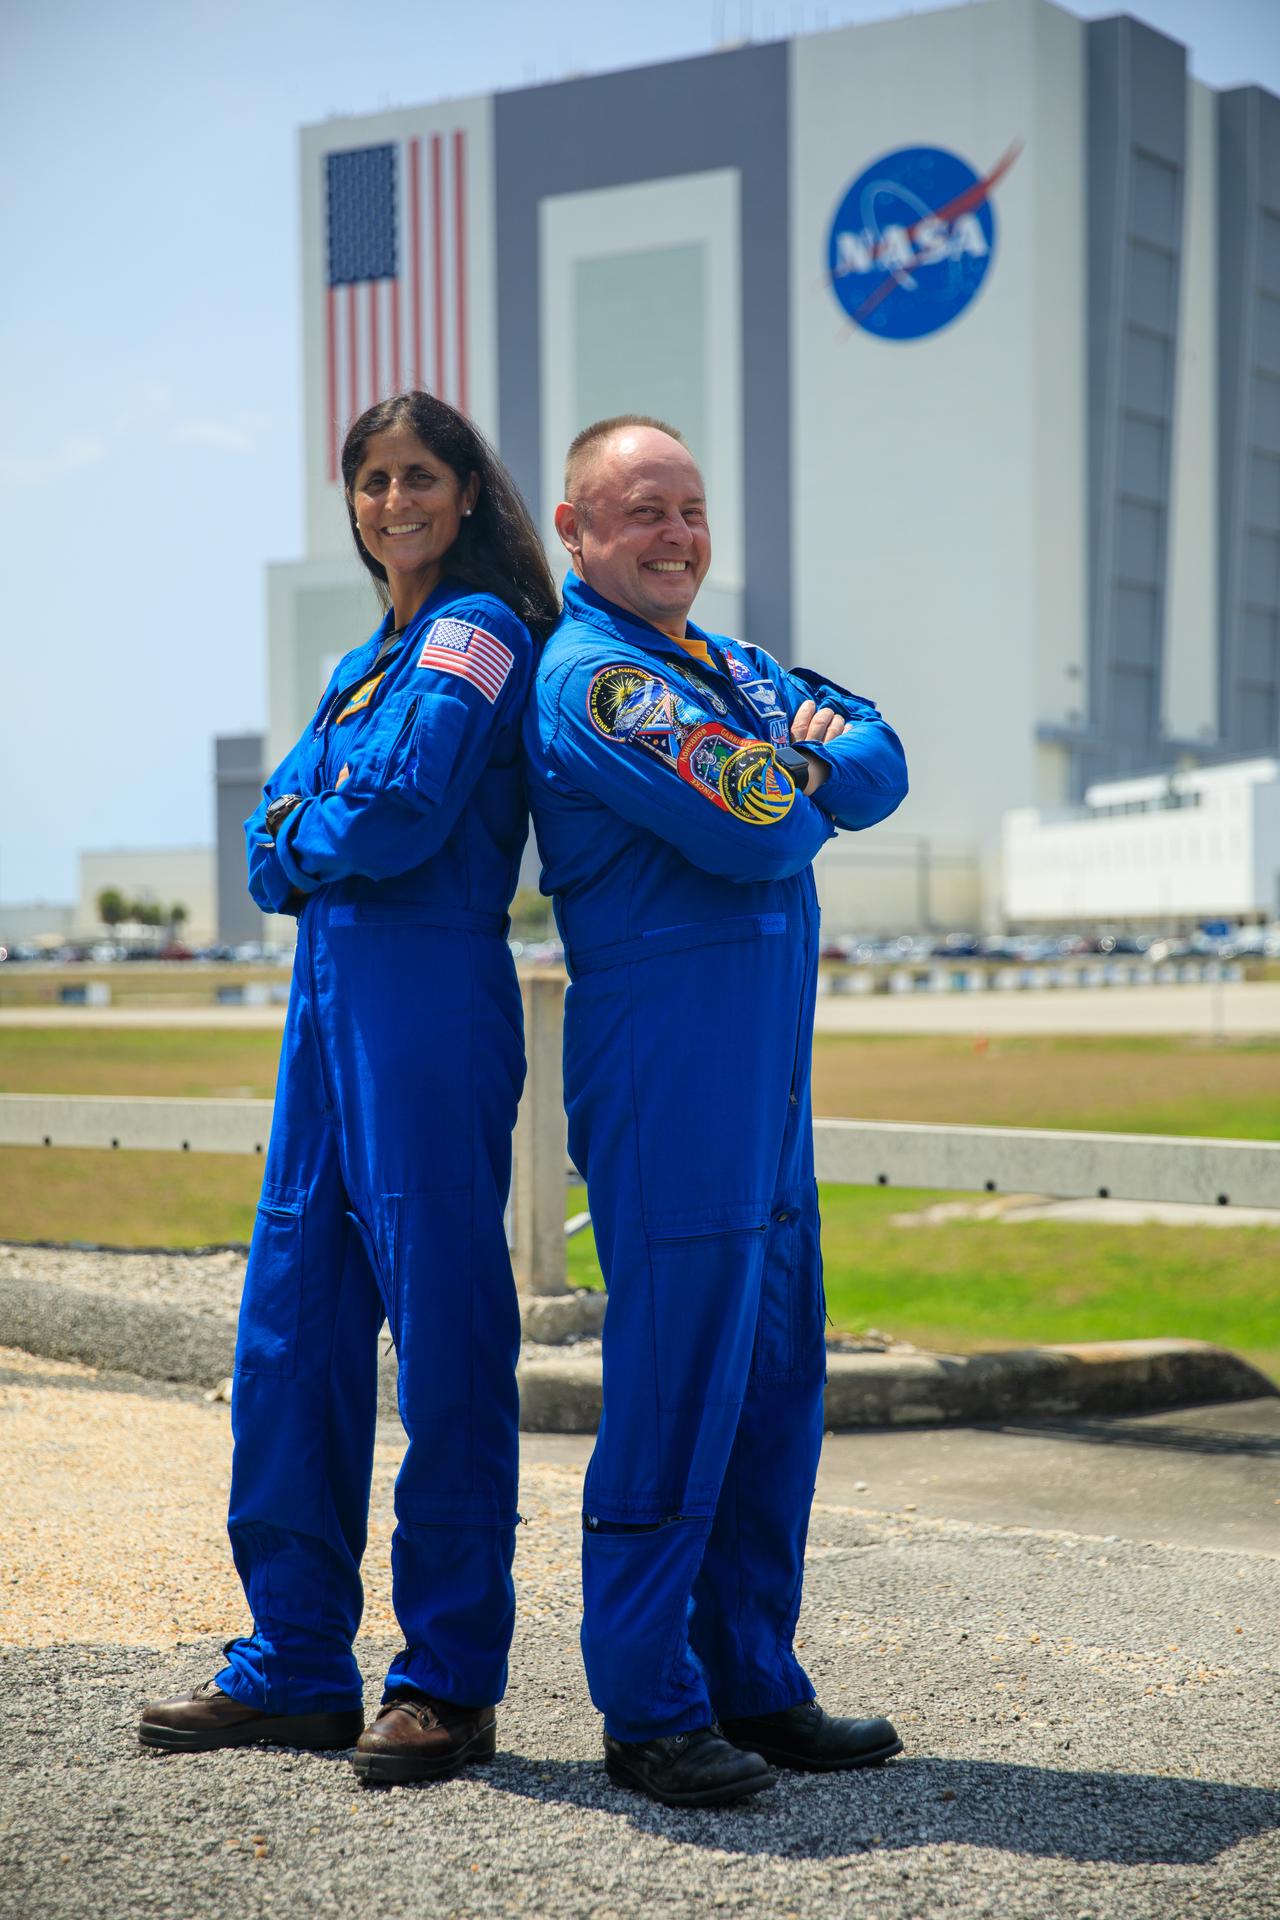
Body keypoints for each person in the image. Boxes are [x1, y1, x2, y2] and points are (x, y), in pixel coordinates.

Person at [139, 391, 559, 1786]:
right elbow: (277, 856)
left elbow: (394, 812)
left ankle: (445, 1678)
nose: (394, 501)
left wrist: (305, 828)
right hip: (325, 1014)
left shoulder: (481, 633)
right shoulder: (359, 661)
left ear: (466, 491)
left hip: (427, 1004)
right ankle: (295, 1660)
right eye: (371, 480)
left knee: (442, 1346)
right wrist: (312, 832)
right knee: (289, 1341)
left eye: (419, 475)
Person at [523, 416, 909, 1809]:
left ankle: (754, 1679)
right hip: (673, 1081)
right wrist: (799, 773)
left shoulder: (728, 668)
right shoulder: (596, 680)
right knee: (679, 1385)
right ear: (576, 532)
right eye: (640, 512)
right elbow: (767, 822)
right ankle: (648, 1704)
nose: (674, 535)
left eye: (689, 509)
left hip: (767, 1090)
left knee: (771, 1392)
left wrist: (805, 765)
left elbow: (880, 760)